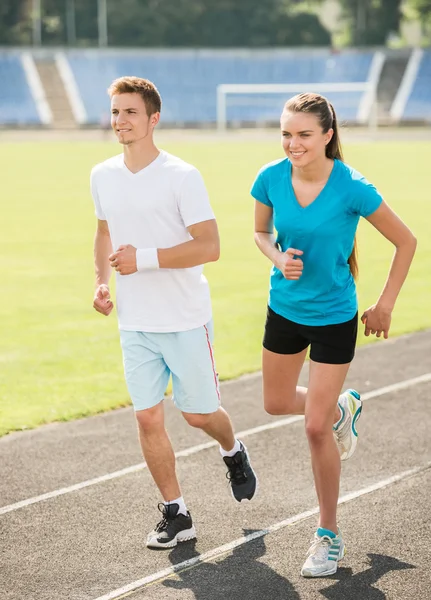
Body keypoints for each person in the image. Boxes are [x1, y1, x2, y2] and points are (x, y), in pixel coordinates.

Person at [251, 92, 416, 577]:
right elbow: (260, 232)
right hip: (284, 308)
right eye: (286, 134)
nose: (293, 143)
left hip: (334, 317)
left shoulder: (351, 187)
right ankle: (343, 405)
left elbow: (406, 240)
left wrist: (384, 304)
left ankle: (327, 534)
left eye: (303, 134)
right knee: (276, 403)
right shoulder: (269, 178)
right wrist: (277, 257)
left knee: (314, 427)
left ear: (327, 135)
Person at [91, 76, 257, 550]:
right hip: (135, 321)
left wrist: (141, 259)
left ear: (153, 119)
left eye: (130, 113)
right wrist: (102, 281)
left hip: (184, 318)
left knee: (200, 415)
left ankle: (233, 449)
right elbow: (105, 233)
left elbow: (211, 247)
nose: (121, 121)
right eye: (116, 112)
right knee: (147, 418)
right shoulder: (102, 175)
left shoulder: (182, 175)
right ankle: (176, 512)